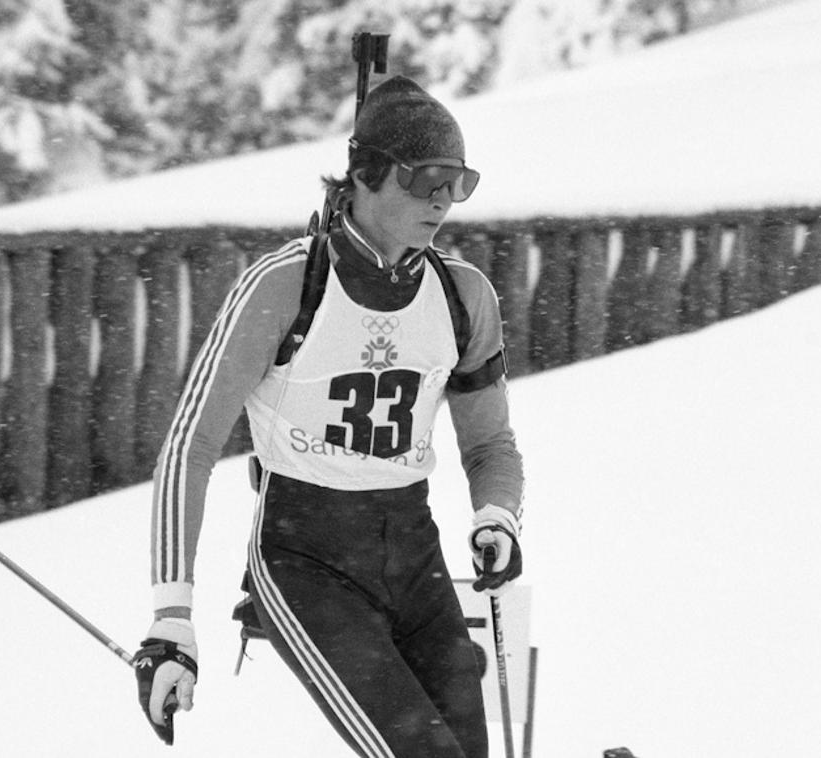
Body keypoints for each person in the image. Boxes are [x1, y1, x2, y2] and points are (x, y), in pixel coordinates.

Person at [131, 75, 525, 758]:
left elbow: (490, 442)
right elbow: (189, 446)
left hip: (413, 551)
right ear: (366, 174)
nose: (442, 200)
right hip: (305, 558)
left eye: (458, 183)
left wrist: (497, 516)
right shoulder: (286, 285)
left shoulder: (463, 295)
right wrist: (171, 618)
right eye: (425, 178)